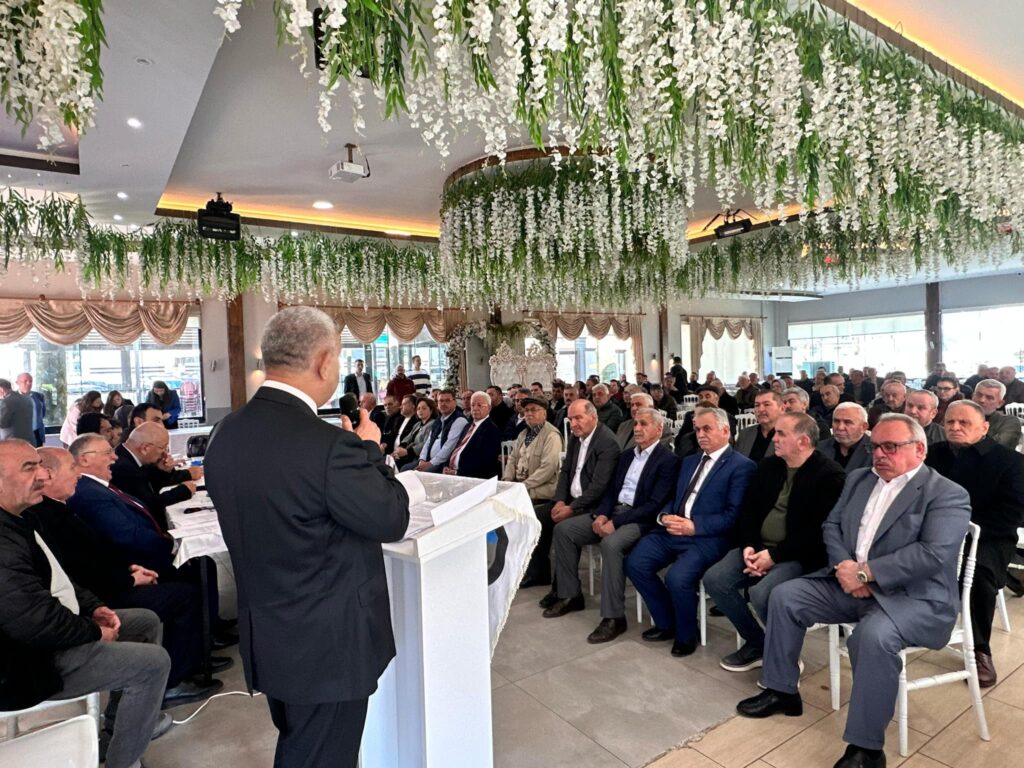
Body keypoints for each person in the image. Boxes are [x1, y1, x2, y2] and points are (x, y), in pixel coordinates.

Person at [204, 306, 410, 768]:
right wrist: (371, 450)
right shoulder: (330, 447)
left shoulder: (225, 433)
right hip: (328, 643)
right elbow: (392, 517)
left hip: (268, 632)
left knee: (301, 744)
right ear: (323, 362)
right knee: (322, 756)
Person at [736, 415, 971, 768]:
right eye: (875, 446)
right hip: (848, 583)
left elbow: (932, 554)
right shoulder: (861, 478)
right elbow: (831, 526)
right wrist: (846, 568)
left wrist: (866, 573)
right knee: (784, 596)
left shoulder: (946, 493)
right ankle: (782, 690)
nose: (879, 454)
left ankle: (866, 749)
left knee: (872, 637)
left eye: (890, 447)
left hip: (911, 597)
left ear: (919, 450)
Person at [0, 439, 170, 768]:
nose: (42, 476)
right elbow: (33, 620)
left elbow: (59, 577)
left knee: (145, 621)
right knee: (153, 664)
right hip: (25, 664)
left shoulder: (21, 518)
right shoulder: (4, 541)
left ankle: (118, 728)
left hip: (45, 638)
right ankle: (124, 763)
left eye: (41, 466)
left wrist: (93, 608)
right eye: (29, 468)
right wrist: (92, 631)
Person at [27, 447, 220, 709]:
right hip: (99, 596)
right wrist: (129, 578)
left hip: (107, 581)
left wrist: (129, 569)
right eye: (72, 469)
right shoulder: (49, 516)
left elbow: (96, 552)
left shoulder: (59, 508)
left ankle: (201, 650)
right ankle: (174, 682)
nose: (78, 475)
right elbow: (81, 569)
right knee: (184, 595)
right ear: (48, 476)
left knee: (195, 569)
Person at [703, 413, 846, 672]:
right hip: (759, 548)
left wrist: (774, 556)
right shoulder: (769, 466)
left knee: (763, 593)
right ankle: (758, 643)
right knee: (715, 579)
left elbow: (818, 533)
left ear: (803, 441)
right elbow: (749, 511)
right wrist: (749, 546)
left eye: (781, 434)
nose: (774, 438)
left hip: (799, 555)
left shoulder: (830, 475)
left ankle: (786, 655)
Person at [625, 407, 755, 657]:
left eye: (707, 429)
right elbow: (673, 498)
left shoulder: (741, 466)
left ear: (725, 431)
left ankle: (687, 633)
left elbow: (733, 515)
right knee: (635, 563)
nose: (700, 434)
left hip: (708, 537)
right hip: (672, 530)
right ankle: (667, 621)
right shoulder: (689, 461)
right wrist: (664, 516)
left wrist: (694, 526)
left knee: (677, 578)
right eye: (697, 429)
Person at [547, 409, 679, 643]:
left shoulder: (668, 460)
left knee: (611, 544)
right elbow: (610, 491)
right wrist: (601, 515)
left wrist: (615, 523)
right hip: (612, 512)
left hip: (640, 520)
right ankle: (570, 595)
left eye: (644, 424)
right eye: (636, 424)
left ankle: (613, 617)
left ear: (659, 429)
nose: (637, 428)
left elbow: (654, 505)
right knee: (564, 531)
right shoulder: (627, 456)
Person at [926, 400, 1024, 687]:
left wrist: (960, 528)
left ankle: (980, 648)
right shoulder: (932, 454)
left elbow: (1013, 513)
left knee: (978, 572)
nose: (955, 427)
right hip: (932, 533)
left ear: (984, 428)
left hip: (987, 536)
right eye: (950, 422)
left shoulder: (1010, 461)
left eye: (964, 423)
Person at [536, 400, 620, 609]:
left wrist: (571, 508)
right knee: (539, 517)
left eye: (578, 418)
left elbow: (599, 487)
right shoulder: (576, 438)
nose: (573, 424)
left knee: (563, 529)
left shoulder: (607, 442)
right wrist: (560, 500)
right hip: (572, 500)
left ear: (593, 417)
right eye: (571, 419)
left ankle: (569, 594)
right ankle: (541, 575)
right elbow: (565, 472)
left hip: (594, 506)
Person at [442, 392, 501, 479]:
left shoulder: (492, 430)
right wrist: (446, 465)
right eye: (473, 405)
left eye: (480, 405)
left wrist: (457, 472)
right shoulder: (468, 426)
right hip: (453, 473)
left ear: (489, 408)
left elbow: (485, 462)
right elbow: (458, 448)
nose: (475, 408)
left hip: (472, 477)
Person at [408, 389, 468, 473]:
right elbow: (428, 442)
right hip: (428, 460)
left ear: (454, 402)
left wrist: (430, 463)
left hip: (443, 463)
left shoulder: (459, 420)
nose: (443, 404)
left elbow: (449, 447)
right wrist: (422, 459)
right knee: (405, 469)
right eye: (441, 401)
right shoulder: (438, 420)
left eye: (447, 400)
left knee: (417, 474)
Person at [816, 402, 872, 472]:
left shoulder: (876, 451)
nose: (840, 427)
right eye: (836, 421)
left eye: (847, 422)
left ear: (864, 427)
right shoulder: (819, 449)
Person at [972, 378, 1022, 450]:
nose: (982, 400)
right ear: (972, 396)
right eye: (979, 395)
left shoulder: (1008, 422)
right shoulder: (958, 417)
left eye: (989, 398)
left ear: (1000, 404)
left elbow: (996, 447)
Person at [735, 390, 783, 463]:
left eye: (767, 404)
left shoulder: (789, 435)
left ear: (782, 409)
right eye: (757, 405)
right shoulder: (745, 433)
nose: (760, 409)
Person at [391, 396, 436, 466]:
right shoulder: (418, 424)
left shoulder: (433, 424)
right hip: (409, 454)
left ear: (431, 410)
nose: (420, 411)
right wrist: (400, 448)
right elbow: (408, 437)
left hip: (420, 456)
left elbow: (425, 443)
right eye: (418, 409)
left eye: (424, 408)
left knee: (401, 467)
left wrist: (407, 451)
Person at [15, 373, 46, 447]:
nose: (28, 383)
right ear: (17, 383)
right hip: (19, 435)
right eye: (25, 381)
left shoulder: (39, 396)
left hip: (37, 433)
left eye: (30, 381)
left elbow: (43, 413)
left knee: (37, 453)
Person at [0, 378, 35, 442]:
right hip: (29, 441)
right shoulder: (27, 398)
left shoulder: (6, 402)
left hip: (13, 443)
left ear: (1, 389)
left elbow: (2, 424)